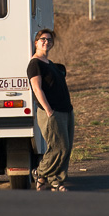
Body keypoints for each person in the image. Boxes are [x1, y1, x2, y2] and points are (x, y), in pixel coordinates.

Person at [26, 27, 74, 191]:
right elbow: (37, 89)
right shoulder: (35, 64)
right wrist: (48, 110)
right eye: (43, 39)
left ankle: (56, 181)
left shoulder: (50, 63)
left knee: (66, 149)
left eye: (49, 40)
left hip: (65, 110)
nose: (46, 42)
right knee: (59, 147)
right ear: (36, 43)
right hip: (52, 112)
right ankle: (39, 172)